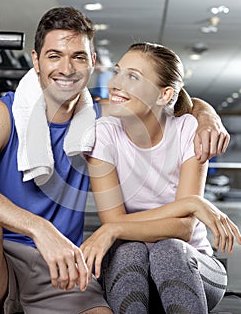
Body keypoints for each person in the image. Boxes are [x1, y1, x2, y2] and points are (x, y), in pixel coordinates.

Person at [0, 7, 231, 314]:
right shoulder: (0, 114)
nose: (66, 68)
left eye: (78, 56)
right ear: (36, 61)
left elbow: (166, 101)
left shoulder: (101, 117)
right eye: (54, 56)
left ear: (92, 62)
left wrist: (207, 116)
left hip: (61, 270)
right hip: (1, 263)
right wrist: (39, 228)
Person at [81, 42, 241, 313]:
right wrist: (190, 205)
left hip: (192, 269)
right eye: (118, 72)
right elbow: (112, 220)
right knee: (129, 250)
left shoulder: (189, 130)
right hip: (131, 272)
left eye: (132, 77)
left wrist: (116, 228)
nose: (116, 84)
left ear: (164, 95)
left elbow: (184, 229)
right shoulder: (103, 134)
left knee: (169, 249)